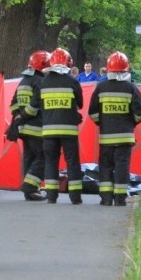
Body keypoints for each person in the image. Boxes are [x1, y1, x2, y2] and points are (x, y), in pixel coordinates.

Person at [25, 47, 84, 205]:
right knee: (72, 162)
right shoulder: (72, 81)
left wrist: (21, 117)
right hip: (69, 131)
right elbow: (80, 103)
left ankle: (51, 196)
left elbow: (32, 108)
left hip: (49, 131)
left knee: (51, 161)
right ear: (67, 63)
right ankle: (75, 197)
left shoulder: (43, 82)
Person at [88, 51, 141, 206]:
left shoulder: (101, 88)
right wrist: (131, 123)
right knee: (122, 166)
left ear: (109, 69)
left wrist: (102, 123)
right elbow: (139, 112)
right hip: (125, 137)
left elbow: (92, 112)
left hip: (106, 137)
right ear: (126, 70)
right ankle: (120, 199)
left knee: (105, 166)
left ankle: (106, 198)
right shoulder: (131, 88)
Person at [10, 50, 50, 201]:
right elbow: (36, 103)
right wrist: (25, 114)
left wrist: (18, 116)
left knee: (29, 157)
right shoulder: (39, 81)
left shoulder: (23, 81)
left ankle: (30, 191)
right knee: (43, 157)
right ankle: (31, 187)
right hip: (36, 127)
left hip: (23, 128)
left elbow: (13, 103)